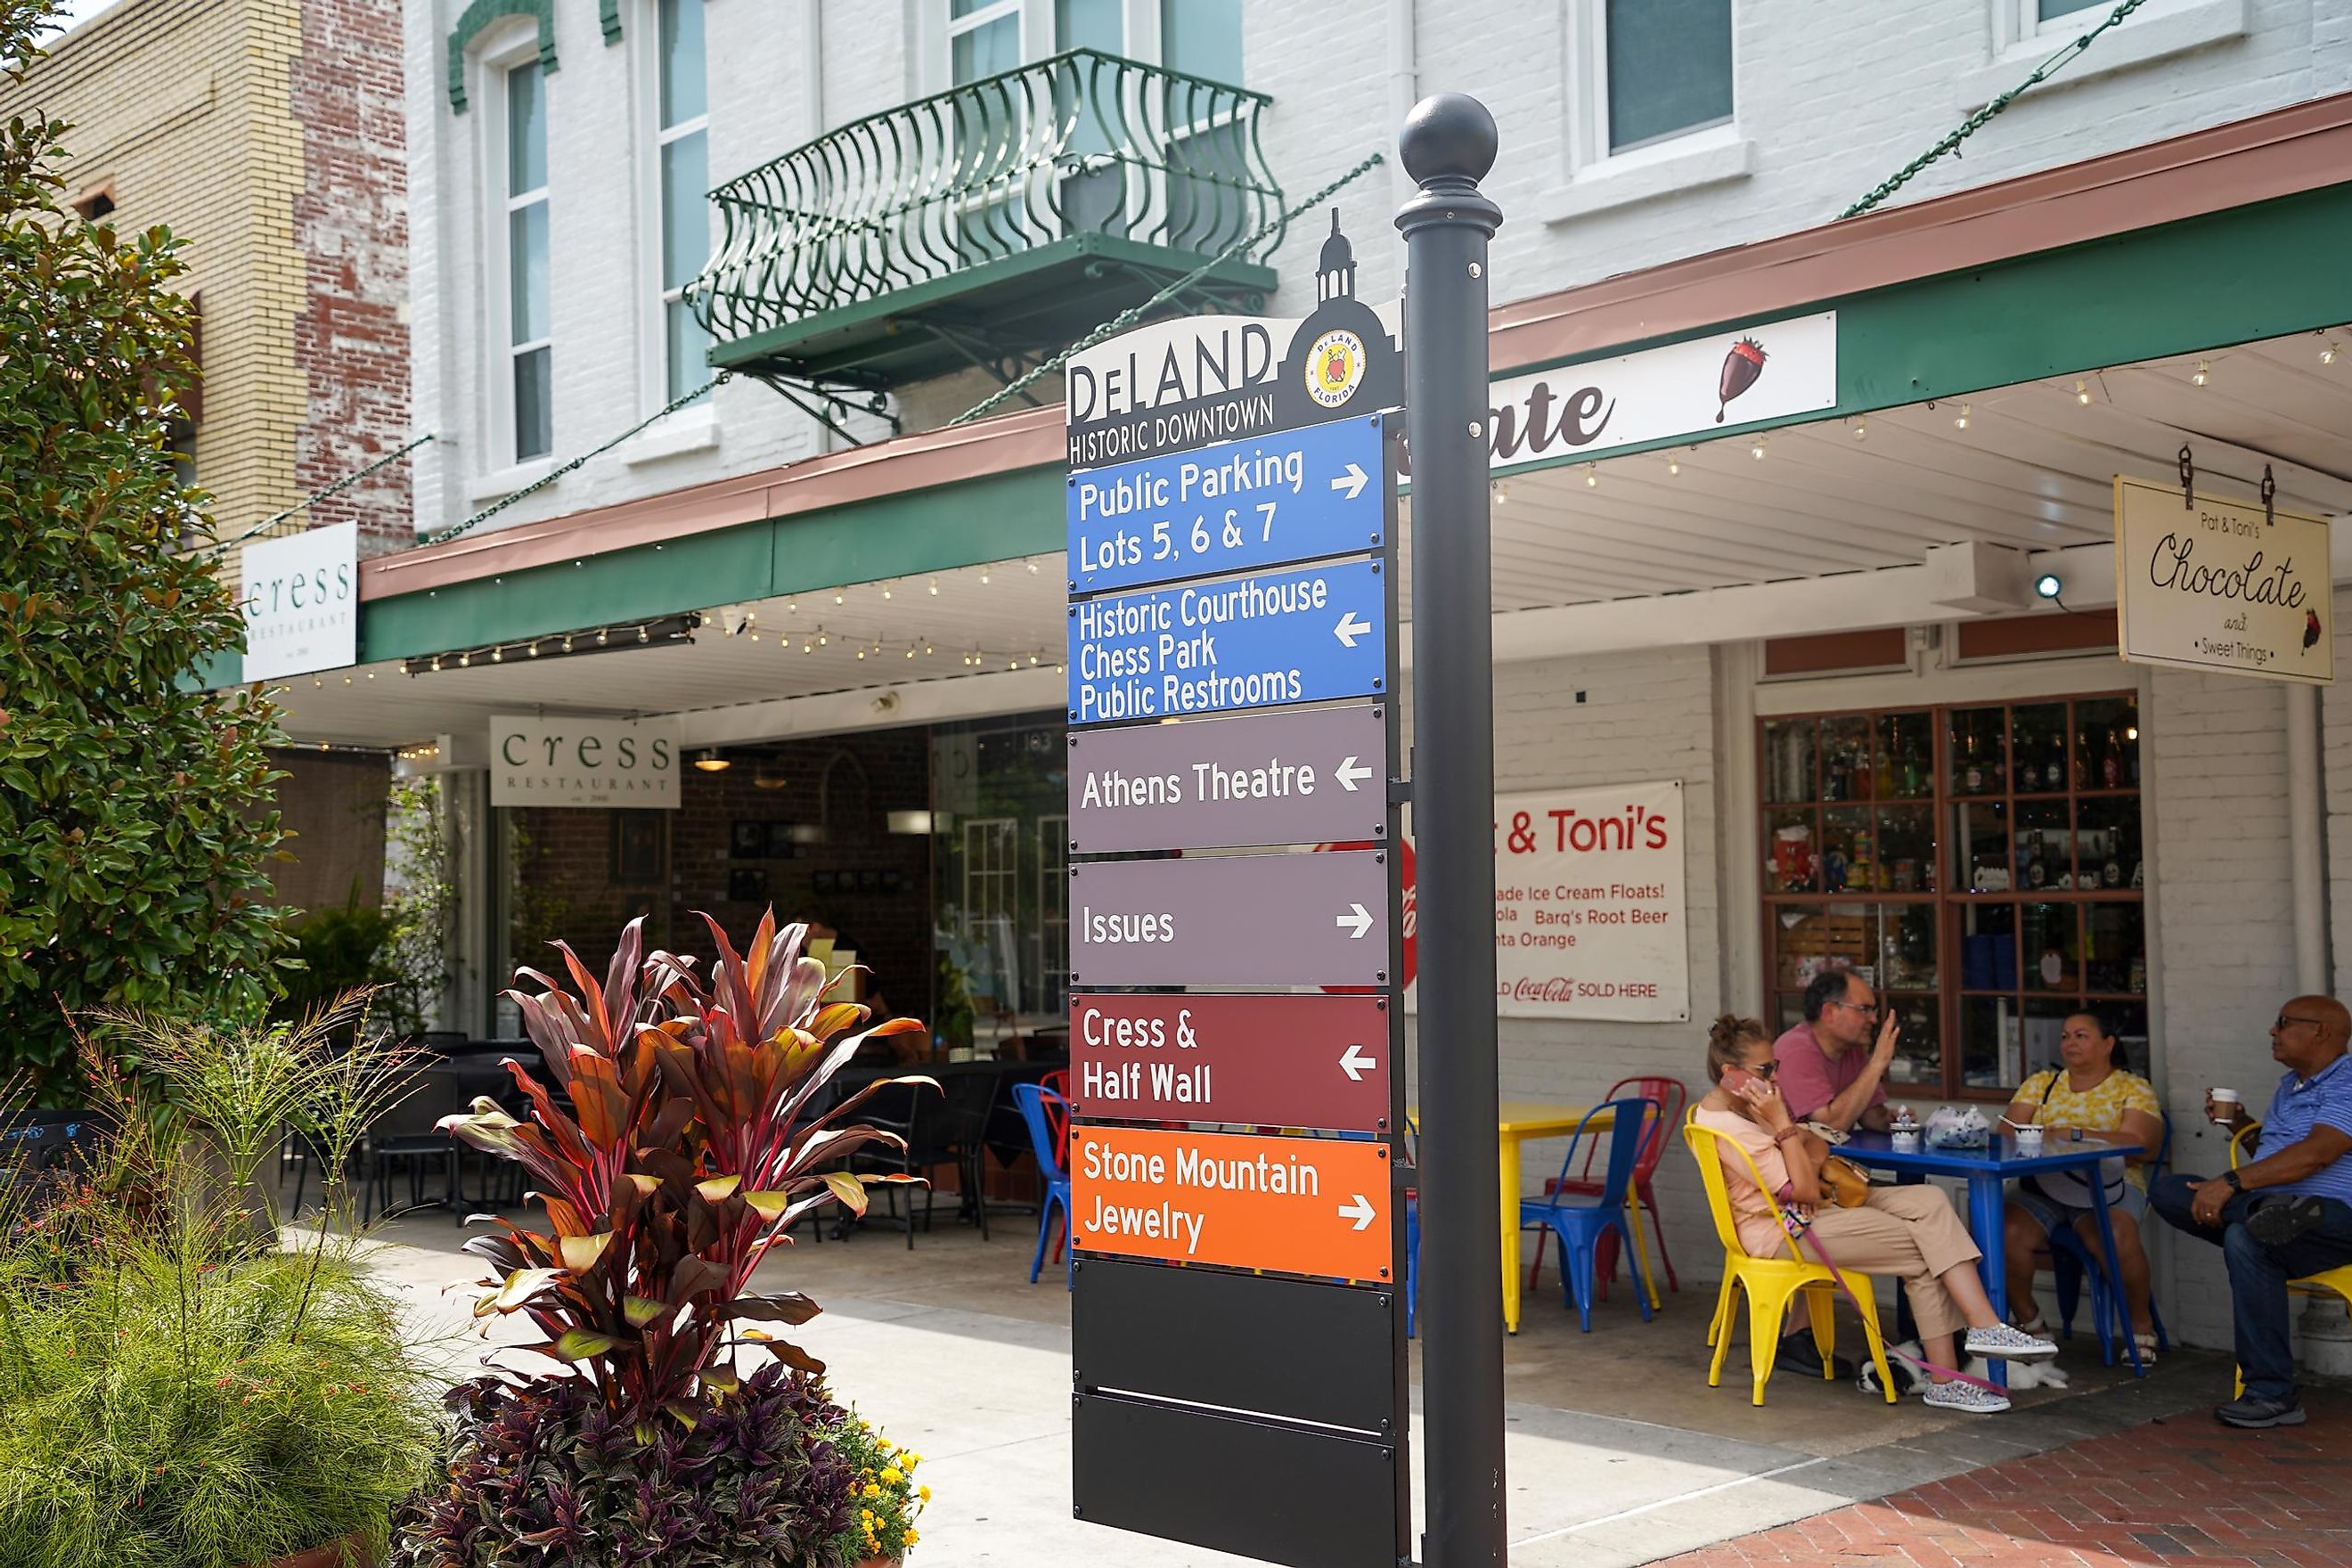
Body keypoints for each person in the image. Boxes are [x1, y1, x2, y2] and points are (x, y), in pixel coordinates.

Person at [1695, 1015, 2057, 1415]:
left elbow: (1816, 1143)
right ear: (1730, 1073)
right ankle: (1949, 1376)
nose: (1776, 1077)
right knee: (1925, 1248)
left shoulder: (1751, 1102)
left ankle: (1985, 1329)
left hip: (1814, 1209)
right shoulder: (1734, 1124)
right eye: (1766, 1069)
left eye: (1776, 1066)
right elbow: (1805, 1185)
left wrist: (1800, 1146)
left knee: (1929, 1201)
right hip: (1783, 1232)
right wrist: (1786, 1129)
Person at [2152, 994, 2352, 1429]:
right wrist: (2240, 1125)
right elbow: (2275, 1157)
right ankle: (2273, 1395)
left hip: (2337, 1223)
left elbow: (2317, 1154)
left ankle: (2271, 1392)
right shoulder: (2291, 1086)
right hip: (2283, 1224)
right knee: (2170, 1192)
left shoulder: (2348, 1082)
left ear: (2320, 1031)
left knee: (2252, 1229)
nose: (2272, 1032)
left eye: (2282, 1023)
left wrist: (2228, 1184)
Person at [1998, 1010, 2163, 1361]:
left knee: (2114, 1236)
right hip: (2041, 1185)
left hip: (2106, 1186)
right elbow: (2006, 1134)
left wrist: (2074, 1135)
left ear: (2107, 1044)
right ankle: (2032, 1325)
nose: (2069, 1043)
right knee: (2002, 1231)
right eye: (2064, 1036)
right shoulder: (2041, 1083)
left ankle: (2140, 1325)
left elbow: (2141, 1143)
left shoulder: (2131, 1088)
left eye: (2081, 1036)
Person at [1774, 970, 1899, 1132]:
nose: (1873, 1019)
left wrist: (1892, 1120)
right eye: (1864, 1009)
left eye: (1873, 1011)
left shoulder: (1851, 1048)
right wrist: (1877, 1064)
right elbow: (1830, 1128)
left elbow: (1870, 1115)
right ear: (1829, 1012)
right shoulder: (1795, 1050)